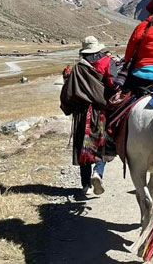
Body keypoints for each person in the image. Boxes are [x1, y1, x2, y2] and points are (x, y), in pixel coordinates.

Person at [62, 36, 115, 197]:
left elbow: (68, 93)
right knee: (101, 144)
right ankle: (98, 173)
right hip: (100, 113)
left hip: (81, 114)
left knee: (83, 146)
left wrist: (67, 108)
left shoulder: (77, 68)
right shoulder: (107, 62)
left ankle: (85, 185)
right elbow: (112, 85)